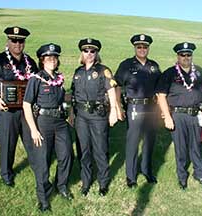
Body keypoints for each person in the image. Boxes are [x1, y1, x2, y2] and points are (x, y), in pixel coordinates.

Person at [0, 26, 38, 187]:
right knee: (7, 143)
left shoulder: (30, 62)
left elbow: (38, 82)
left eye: (20, 41)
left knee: (32, 141)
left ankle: (38, 168)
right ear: (8, 41)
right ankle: (6, 174)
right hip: (7, 111)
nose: (17, 44)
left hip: (26, 111)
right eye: (14, 40)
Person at [157, 42, 202, 190]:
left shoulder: (201, 73)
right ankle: (182, 177)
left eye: (188, 55)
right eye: (182, 55)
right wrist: (167, 117)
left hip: (195, 115)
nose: (186, 57)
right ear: (178, 56)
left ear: (192, 56)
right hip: (177, 115)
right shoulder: (169, 73)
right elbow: (161, 96)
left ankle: (199, 174)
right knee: (181, 148)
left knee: (196, 146)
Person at [23, 43, 73, 212]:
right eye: (49, 58)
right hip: (43, 123)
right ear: (42, 60)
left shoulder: (59, 79)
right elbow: (26, 104)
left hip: (60, 122)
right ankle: (43, 198)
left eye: (55, 58)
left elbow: (63, 100)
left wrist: (70, 114)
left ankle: (62, 185)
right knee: (43, 161)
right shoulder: (35, 79)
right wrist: (33, 129)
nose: (53, 60)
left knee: (66, 155)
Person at [71, 38, 118, 196]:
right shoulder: (78, 72)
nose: (89, 53)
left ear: (97, 53)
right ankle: (86, 181)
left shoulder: (104, 70)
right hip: (81, 117)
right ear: (82, 53)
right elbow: (73, 96)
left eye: (93, 51)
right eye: (86, 50)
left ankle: (103, 182)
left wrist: (113, 111)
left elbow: (111, 91)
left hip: (98, 116)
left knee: (100, 149)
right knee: (83, 150)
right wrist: (71, 114)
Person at [114, 34, 161, 188]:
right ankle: (131, 176)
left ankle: (147, 171)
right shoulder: (126, 65)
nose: (142, 49)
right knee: (133, 141)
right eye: (139, 47)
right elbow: (118, 85)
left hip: (151, 107)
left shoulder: (154, 66)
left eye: (145, 47)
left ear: (149, 48)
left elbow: (160, 88)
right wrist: (118, 106)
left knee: (149, 140)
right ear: (134, 48)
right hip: (134, 107)